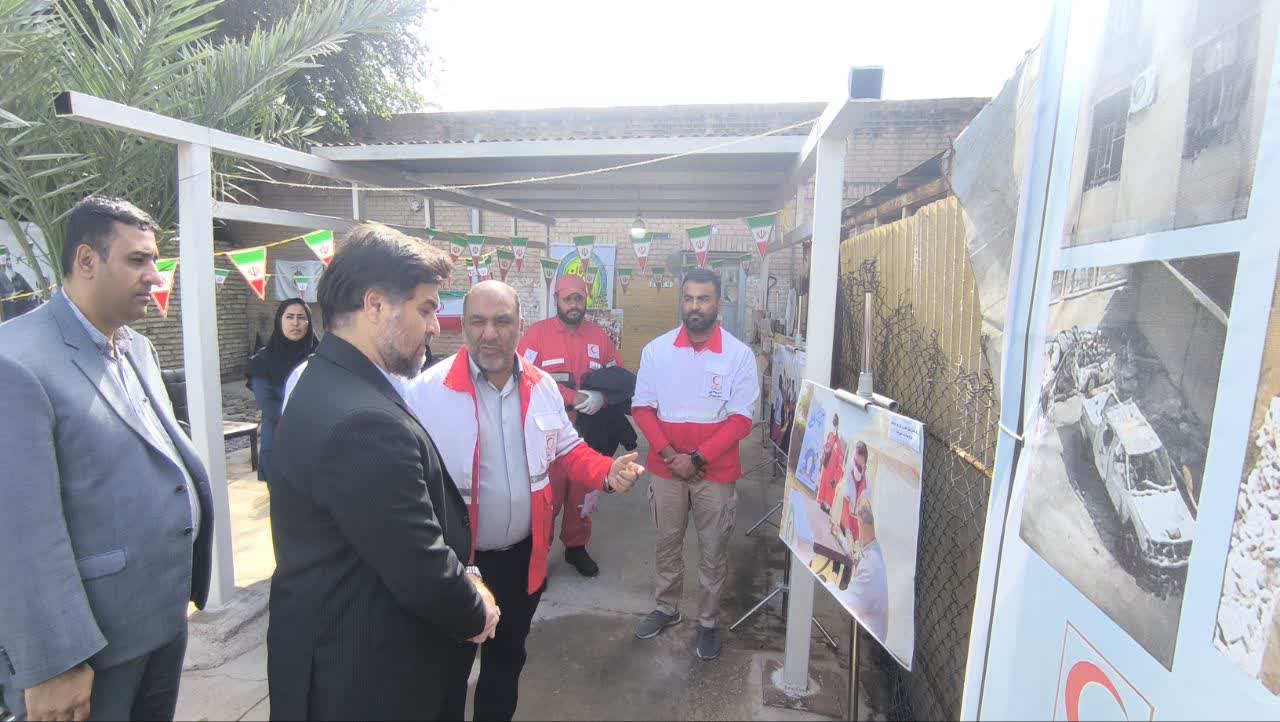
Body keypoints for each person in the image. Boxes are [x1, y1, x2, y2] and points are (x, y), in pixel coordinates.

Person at [266, 223, 500, 721]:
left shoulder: (333, 380)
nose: (436, 327)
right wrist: (476, 607)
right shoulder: (362, 421)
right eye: (426, 309)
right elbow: (417, 564)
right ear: (375, 305)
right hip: (368, 680)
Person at [0, 195, 214, 721]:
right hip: (89, 650)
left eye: (155, 261)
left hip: (160, 621)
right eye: (137, 260)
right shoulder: (16, 361)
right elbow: (19, 532)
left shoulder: (137, 347)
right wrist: (54, 663)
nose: (155, 277)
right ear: (86, 260)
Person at [405, 280, 642, 721]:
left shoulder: (542, 386)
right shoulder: (425, 393)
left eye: (502, 321)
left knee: (506, 663)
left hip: (522, 561)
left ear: (520, 325)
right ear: (463, 325)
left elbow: (568, 448)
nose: (489, 334)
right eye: (477, 321)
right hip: (456, 564)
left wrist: (606, 473)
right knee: (448, 673)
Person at [631, 268, 760, 661]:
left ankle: (707, 622)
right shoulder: (657, 351)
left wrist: (698, 458)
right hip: (666, 468)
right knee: (666, 543)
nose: (695, 306)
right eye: (688, 298)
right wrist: (672, 456)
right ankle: (666, 607)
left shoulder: (738, 355)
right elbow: (642, 408)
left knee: (713, 548)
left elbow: (741, 419)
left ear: (719, 302)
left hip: (714, 472)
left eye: (703, 299)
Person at [515, 274, 625, 577]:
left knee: (582, 497)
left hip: (588, 438)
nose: (574, 304)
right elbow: (521, 378)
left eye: (579, 298)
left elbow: (618, 377)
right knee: (546, 501)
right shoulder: (537, 337)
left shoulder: (599, 337)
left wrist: (603, 398)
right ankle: (538, 559)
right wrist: (570, 397)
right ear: (557, 300)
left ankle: (576, 547)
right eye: (568, 299)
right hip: (547, 439)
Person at [246, 298, 317, 482]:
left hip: (316, 442)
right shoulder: (263, 361)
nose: (295, 323)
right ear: (279, 321)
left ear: (309, 322)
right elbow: (268, 405)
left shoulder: (320, 357)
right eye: (289, 317)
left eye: (301, 317)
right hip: (279, 439)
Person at [847, 496, 888, 641]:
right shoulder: (874, 550)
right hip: (869, 634)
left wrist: (828, 584)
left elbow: (847, 603)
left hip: (868, 643)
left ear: (859, 522)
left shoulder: (870, 567)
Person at [839, 442, 870, 543]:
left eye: (859, 467)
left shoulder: (867, 489)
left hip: (856, 536)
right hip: (843, 527)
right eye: (855, 463)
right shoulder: (848, 477)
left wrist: (857, 540)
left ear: (865, 468)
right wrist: (847, 532)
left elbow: (865, 517)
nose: (856, 468)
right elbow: (845, 504)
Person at [817, 414, 845, 513]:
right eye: (834, 421)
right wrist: (821, 463)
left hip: (832, 475)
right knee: (823, 489)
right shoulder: (829, 437)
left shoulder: (839, 444)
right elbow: (824, 451)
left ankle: (826, 506)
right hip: (826, 471)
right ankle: (823, 503)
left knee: (829, 493)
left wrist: (835, 478)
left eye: (836, 422)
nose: (834, 425)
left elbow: (840, 465)